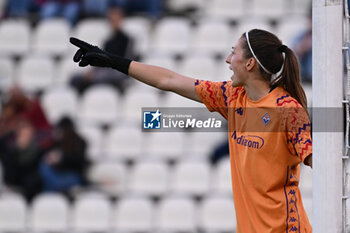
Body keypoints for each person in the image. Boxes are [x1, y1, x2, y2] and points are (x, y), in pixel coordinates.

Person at [70, 28, 313, 233]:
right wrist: (114, 61)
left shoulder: (287, 111)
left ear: (250, 63)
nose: (228, 60)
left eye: (234, 52)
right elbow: (169, 80)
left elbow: (323, 162)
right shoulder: (232, 97)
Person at [70, 6, 135, 95]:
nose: (114, 22)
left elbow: (128, 60)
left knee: (100, 77)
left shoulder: (127, 40)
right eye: (111, 20)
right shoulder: (108, 41)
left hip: (120, 71)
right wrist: (92, 71)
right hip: (106, 70)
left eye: (116, 20)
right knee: (76, 78)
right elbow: (102, 58)